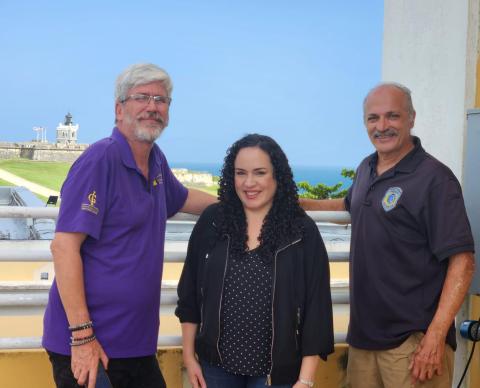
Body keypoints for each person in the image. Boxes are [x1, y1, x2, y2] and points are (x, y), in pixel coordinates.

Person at [42, 63, 216, 388]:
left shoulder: (155, 160)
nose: (153, 107)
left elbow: (183, 199)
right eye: (142, 98)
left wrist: (246, 203)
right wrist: (81, 337)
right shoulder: (100, 160)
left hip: (135, 346)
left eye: (161, 100)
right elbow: (63, 246)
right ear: (119, 108)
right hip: (90, 345)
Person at [302, 83, 475, 388]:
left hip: (413, 343)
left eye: (392, 116)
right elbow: (348, 205)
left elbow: (462, 261)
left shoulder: (435, 178)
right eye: (373, 118)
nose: (382, 126)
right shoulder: (367, 167)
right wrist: (296, 204)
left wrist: (435, 336)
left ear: (411, 118)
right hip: (364, 341)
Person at [175, 134, 334, 388]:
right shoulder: (213, 221)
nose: (249, 183)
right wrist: (188, 357)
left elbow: (317, 309)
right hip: (215, 369)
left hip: (277, 373)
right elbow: (189, 293)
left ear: (277, 176)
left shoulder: (301, 230)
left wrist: (305, 380)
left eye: (259, 172)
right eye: (240, 173)